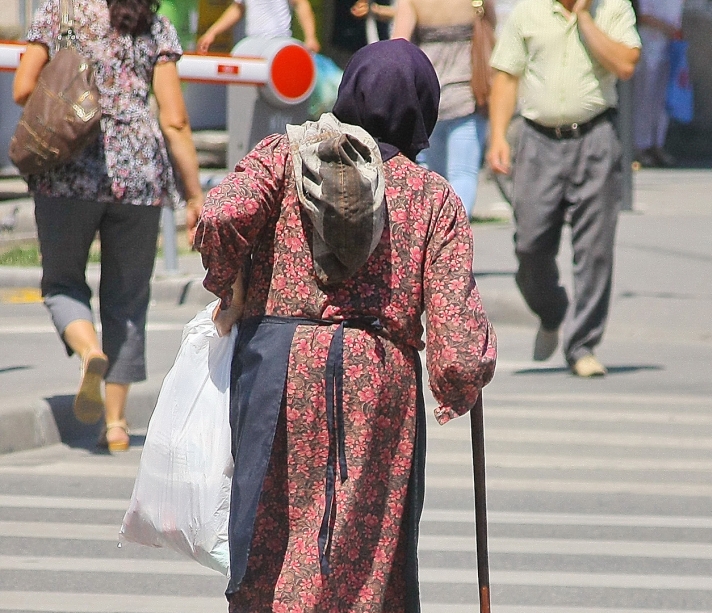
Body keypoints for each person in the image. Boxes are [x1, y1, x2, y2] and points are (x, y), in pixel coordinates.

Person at [195, 39, 496, 610]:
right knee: (352, 550)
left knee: (272, 531)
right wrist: (463, 378)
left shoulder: (284, 156)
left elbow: (220, 213)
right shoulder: (432, 197)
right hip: (375, 381)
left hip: (276, 365)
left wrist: (228, 282)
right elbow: (458, 348)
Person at [12, 0, 204, 452]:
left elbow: (24, 88)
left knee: (62, 283)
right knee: (128, 299)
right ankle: (115, 425)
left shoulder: (58, 13)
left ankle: (89, 352)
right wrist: (194, 194)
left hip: (68, 173)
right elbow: (174, 119)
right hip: (139, 176)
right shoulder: (152, 22)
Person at [486, 0, 640, 377]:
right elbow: (507, 76)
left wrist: (584, 19)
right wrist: (498, 137)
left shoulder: (613, 8)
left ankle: (582, 345)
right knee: (530, 245)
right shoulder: (529, 11)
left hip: (596, 135)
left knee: (595, 249)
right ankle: (552, 311)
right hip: (537, 141)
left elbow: (625, 64)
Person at [392, 0, 495, 217]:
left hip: (427, 97)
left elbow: (398, 46)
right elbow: (491, 30)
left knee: (432, 173)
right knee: (464, 172)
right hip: (468, 94)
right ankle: (456, 230)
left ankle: (434, 233)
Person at [633, 0, 683, 168]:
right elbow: (643, 16)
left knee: (663, 100)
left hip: (669, 47)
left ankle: (657, 144)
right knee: (645, 98)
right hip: (650, 45)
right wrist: (668, 29)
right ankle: (640, 145)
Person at [196, 0, 320, 53]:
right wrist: (212, 32)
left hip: (278, 43)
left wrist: (310, 37)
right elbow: (238, 8)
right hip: (253, 43)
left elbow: (300, 3)